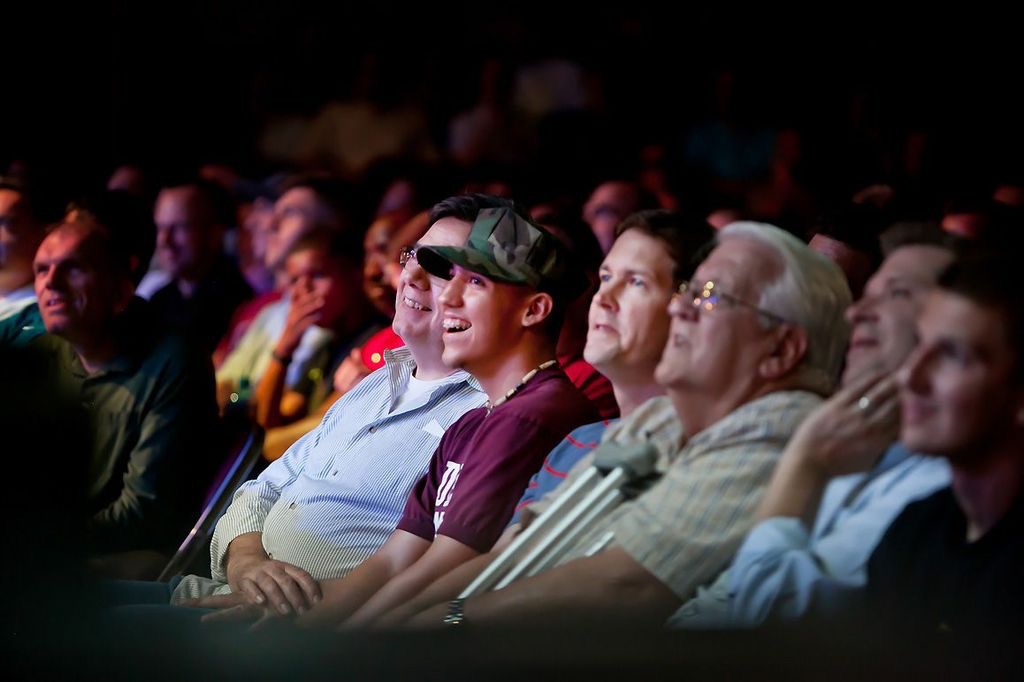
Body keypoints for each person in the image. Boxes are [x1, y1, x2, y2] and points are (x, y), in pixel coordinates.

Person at [669, 227, 955, 627]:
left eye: (897, 293)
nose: (856, 313)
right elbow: (711, 608)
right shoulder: (855, 441)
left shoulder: (936, 487)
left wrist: (801, 462)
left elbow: (765, 618)